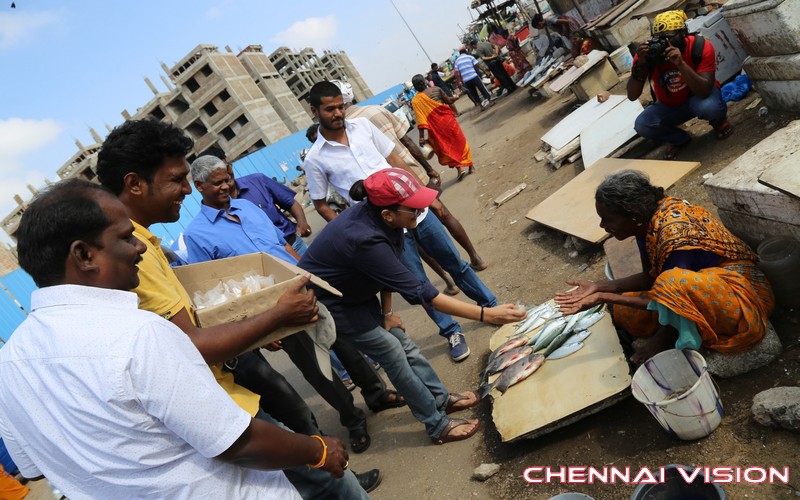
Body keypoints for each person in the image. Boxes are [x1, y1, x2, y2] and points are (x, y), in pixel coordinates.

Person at [0, 179, 347, 499]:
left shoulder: (9, 363)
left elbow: (32, 467)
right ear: (85, 255)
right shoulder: (138, 335)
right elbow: (236, 442)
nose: (138, 247)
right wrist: (317, 451)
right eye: (124, 238)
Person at [95, 119, 372, 498]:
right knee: (313, 463)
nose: (188, 189)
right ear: (135, 184)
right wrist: (272, 318)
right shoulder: (134, 252)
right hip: (224, 403)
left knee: (311, 418)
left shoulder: (148, 240)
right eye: (177, 179)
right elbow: (188, 345)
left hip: (252, 352)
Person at [184, 155, 406, 458]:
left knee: (347, 345)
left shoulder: (248, 207)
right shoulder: (197, 234)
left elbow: (282, 245)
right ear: (199, 187)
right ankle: (352, 420)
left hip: (308, 289)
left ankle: (377, 395)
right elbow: (216, 290)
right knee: (316, 368)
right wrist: (261, 329)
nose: (227, 185)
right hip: (275, 314)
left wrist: (312, 276)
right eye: (218, 182)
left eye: (228, 178)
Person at [299, 168, 526, 443]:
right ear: (388, 214)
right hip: (333, 305)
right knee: (393, 353)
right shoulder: (364, 238)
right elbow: (426, 294)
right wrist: (487, 314)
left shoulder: (389, 221)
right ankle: (436, 424)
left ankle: (441, 399)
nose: (422, 213)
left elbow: (384, 273)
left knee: (405, 345)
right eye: (415, 210)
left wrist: (387, 312)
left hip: (354, 291)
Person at [304, 82, 499, 361]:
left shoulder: (362, 127)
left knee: (452, 259)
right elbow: (321, 204)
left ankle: (491, 306)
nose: (338, 113)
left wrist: (422, 195)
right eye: (330, 109)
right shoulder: (315, 159)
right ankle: (452, 331)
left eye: (340, 106)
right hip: (379, 227)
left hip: (412, 208)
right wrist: (347, 231)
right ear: (314, 111)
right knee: (417, 284)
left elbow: (395, 160)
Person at [555, 170, 775, 365]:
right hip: (694, 286)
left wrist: (605, 297)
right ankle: (671, 330)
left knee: (670, 283)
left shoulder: (674, 233)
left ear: (635, 216)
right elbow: (649, 278)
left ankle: (669, 334)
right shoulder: (646, 225)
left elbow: (671, 293)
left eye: (607, 219)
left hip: (743, 292)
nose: (603, 226)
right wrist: (600, 286)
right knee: (627, 313)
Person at [332, 79, 488, 272]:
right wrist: (428, 169)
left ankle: (448, 280)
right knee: (444, 214)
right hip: (411, 174)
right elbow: (407, 141)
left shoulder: (340, 130)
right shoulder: (376, 110)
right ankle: (475, 257)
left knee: (414, 234)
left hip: (386, 190)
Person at [627, 10, 733, 160]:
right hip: (670, 105)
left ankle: (720, 123)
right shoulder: (649, 54)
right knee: (643, 125)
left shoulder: (699, 46)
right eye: (658, 39)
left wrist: (680, 64)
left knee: (710, 107)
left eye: (669, 38)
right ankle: (680, 139)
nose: (664, 43)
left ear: (683, 33)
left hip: (698, 97)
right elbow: (632, 96)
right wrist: (640, 65)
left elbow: (704, 91)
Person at [199, 146, 312, 256]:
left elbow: (290, 202)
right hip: (268, 262)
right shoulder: (217, 213)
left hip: (295, 246)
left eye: (227, 169)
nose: (227, 176)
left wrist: (302, 223)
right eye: (219, 176)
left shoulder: (258, 181)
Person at [410, 74, 475, 182]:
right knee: (460, 142)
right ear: (425, 82)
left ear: (415, 87)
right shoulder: (436, 89)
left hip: (437, 127)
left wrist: (421, 137)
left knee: (447, 148)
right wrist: (457, 96)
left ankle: (459, 170)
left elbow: (421, 121)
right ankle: (471, 166)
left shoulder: (416, 101)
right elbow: (449, 101)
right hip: (448, 121)